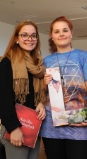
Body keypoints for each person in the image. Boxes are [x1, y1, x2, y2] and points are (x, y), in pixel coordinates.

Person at [39, 16, 87, 159]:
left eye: (65, 30)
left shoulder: (83, 56)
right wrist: (44, 84)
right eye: (57, 31)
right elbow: (43, 93)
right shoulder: (46, 61)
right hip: (52, 123)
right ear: (52, 36)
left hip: (78, 120)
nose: (61, 34)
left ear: (71, 33)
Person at [0, 20, 46, 159]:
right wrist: (13, 128)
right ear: (16, 38)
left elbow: (36, 94)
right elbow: (3, 99)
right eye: (24, 35)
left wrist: (41, 103)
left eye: (33, 35)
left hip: (33, 127)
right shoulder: (7, 62)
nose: (29, 39)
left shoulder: (37, 64)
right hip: (15, 128)